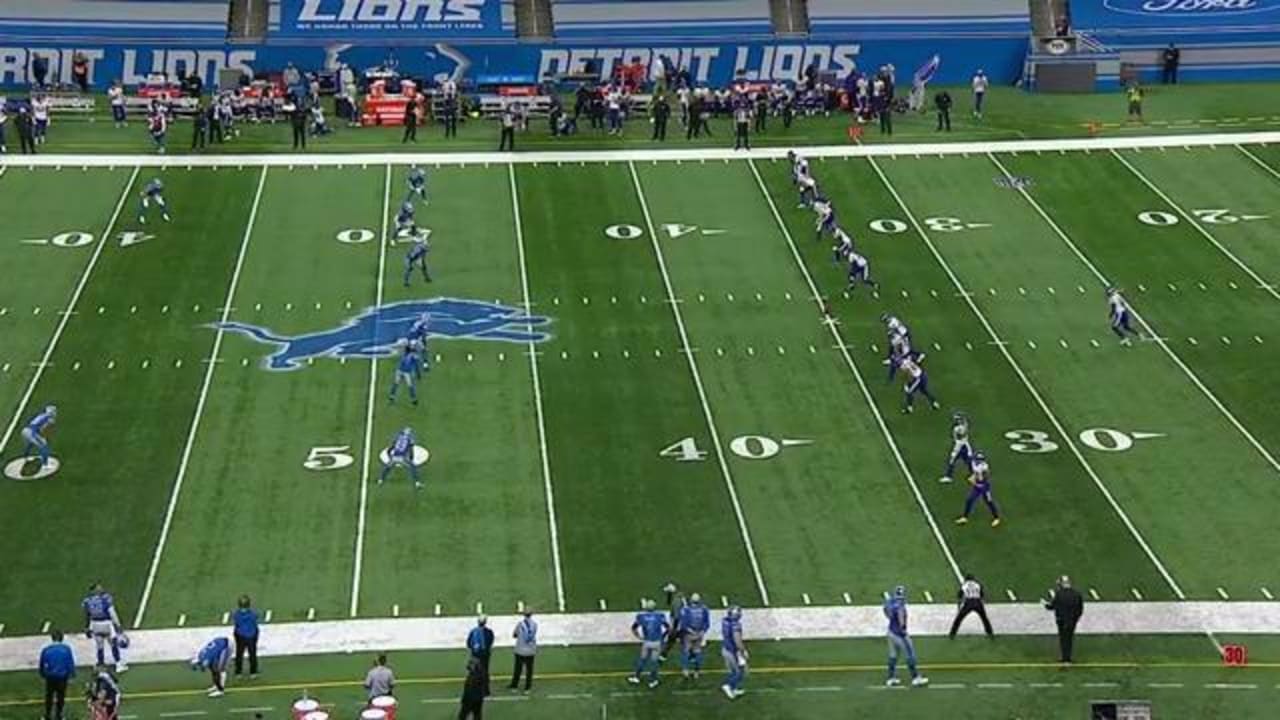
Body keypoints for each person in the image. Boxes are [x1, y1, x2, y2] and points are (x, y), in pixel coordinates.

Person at [884, 586, 928, 687]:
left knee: (893, 655)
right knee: (910, 654)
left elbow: (885, 609)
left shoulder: (891, 602)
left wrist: (890, 619)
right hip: (899, 634)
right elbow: (901, 619)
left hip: (890, 632)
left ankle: (891, 678)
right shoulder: (900, 606)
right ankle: (915, 677)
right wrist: (903, 630)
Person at [83, 583, 127, 672]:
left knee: (99, 646)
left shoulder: (88, 601)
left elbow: (87, 615)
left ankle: (101, 664)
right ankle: (118, 664)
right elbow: (112, 613)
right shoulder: (105, 599)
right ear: (96, 590)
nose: (101, 589)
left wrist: (87, 627)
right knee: (113, 644)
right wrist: (118, 625)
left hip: (95, 625)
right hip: (106, 624)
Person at [628, 599, 668, 688]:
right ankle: (653, 680)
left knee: (642, 659)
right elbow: (668, 628)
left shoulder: (641, 616)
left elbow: (634, 627)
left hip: (647, 641)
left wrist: (638, 636)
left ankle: (636, 677)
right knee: (654, 662)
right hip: (657, 641)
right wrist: (663, 637)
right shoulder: (660, 616)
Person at [954, 451, 1001, 527]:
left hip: (984, 486)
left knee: (989, 501)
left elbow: (985, 477)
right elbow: (976, 474)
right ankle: (965, 517)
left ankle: (996, 518)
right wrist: (973, 478)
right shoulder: (975, 464)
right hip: (977, 485)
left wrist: (975, 482)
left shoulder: (984, 466)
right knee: (969, 500)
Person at [1044, 575, 1084, 664]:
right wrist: (1075, 618)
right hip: (1072, 620)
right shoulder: (1076, 594)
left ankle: (1064, 657)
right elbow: (1080, 609)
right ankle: (1068, 657)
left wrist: (1045, 604)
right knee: (1069, 638)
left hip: (1061, 620)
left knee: (1063, 639)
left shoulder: (1059, 594)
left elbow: (1052, 606)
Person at [39, 629, 76, 720]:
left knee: (49, 696)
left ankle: (47, 715)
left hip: (50, 676)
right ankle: (59, 715)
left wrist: (43, 674)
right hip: (62, 677)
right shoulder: (66, 649)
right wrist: (72, 674)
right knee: (61, 697)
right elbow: (70, 662)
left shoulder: (46, 650)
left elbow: (42, 663)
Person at [948, 574, 994, 638]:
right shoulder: (977, 585)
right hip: (978, 602)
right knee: (984, 618)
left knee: (959, 618)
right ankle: (990, 632)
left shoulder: (964, 585)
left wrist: (959, 606)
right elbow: (982, 595)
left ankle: (952, 633)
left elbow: (959, 596)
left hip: (969, 602)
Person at [678, 593, 710, 679]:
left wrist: (691, 631)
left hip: (689, 634)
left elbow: (683, 624)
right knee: (697, 651)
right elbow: (707, 623)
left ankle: (685, 670)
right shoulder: (704, 609)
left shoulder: (686, 609)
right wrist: (702, 632)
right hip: (699, 634)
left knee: (686, 651)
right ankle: (697, 671)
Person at [720, 605, 747, 699]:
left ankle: (734, 688)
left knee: (733, 671)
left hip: (726, 648)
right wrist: (743, 651)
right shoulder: (735, 625)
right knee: (740, 671)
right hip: (732, 651)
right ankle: (729, 686)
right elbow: (737, 640)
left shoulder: (725, 621)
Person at [508, 609, 537, 692]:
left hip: (520, 649)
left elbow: (514, 635)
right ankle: (527, 688)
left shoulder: (520, 625)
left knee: (518, 669)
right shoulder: (534, 625)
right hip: (531, 650)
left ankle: (514, 686)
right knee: (529, 670)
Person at [232, 595, 260, 679]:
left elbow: (236, 623)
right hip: (251, 636)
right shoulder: (253, 614)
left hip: (240, 636)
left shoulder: (236, 614)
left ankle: (238, 672)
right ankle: (253, 672)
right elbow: (255, 618)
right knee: (252, 654)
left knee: (239, 654)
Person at [466, 616, 494, 697]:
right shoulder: (489, 632)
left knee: (474, 672)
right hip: (485, 655)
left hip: (475, 655)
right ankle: (486, 690)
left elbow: (468, 643)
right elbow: (490, 642)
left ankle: (474, 689)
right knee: (485, 672)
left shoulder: (473, 631)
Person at [22, 405, 57, 469]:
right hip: (31, 432)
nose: (55, 412)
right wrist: (41, 437)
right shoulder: (47, 418)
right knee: (44, 446)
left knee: (30, 444)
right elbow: (39, 428)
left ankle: (26, 457)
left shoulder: (42, 415)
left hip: (26, 430)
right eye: (54, 411)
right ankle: (45, 465)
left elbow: (37, 427)